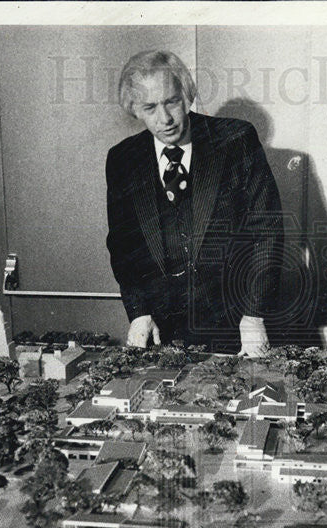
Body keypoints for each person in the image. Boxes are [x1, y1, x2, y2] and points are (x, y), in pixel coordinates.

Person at [106, 50, 283, 355]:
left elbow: (266, 233)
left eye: (171, 102)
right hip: (162, 328)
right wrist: (138, 312)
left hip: (236, 323)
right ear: (134, 109)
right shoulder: (123, 159)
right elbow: (123, 247)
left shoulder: (236, 140)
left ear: (187, 95)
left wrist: (254, 315)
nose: (165, 119)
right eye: (150, 107)